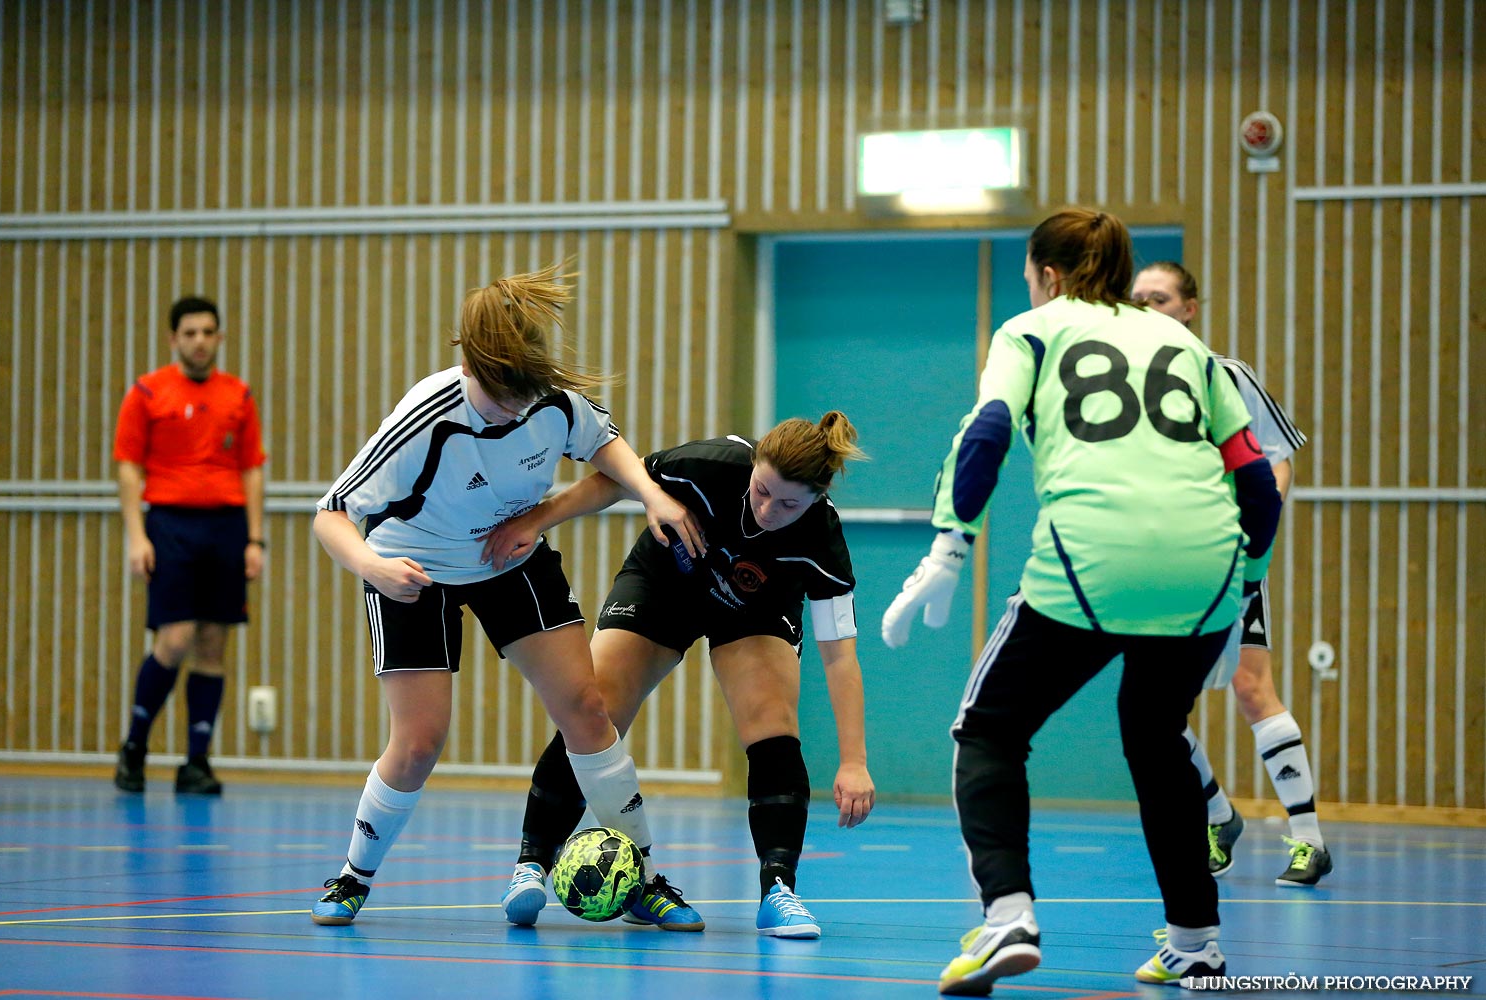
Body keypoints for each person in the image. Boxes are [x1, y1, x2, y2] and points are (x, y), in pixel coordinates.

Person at [881, 208, 1283, 995]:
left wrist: (949, 546)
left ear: (1049, 274)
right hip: (1207, 563)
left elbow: (987, 430)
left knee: (988, 730)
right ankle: (1196, 940)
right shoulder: (1186, 345)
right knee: (1157, 736)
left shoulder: (1030, 331)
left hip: (1094, 559)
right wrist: (1241, 584)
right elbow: (1257, 482)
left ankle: (1007, 916)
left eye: (1032, 273)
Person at [307, 262, 703, 927]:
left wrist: (651, 494)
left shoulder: (549, 398)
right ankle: (352, 876)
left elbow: (605, 447)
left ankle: (647, 880)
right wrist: (372, 570)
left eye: (524, 398)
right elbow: (331, 514)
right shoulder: (425, 417)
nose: (515, 412)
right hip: (417, 571)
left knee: (586, 707)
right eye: (500, 399)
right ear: (466, 366)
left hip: (509, 558)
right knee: (419, 742)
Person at [484, 415, 876, 938]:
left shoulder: (821, 540)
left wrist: (854, 761)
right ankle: (531, 862)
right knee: (595, 708)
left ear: (817, 499)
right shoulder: (710, 465)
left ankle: (779, 890)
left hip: (753, 611)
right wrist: (539, 520)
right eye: (761, 492)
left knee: (773, 723)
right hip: (667, 580)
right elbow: (615, 481)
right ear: (753, 466)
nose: (766, 511)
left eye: (788, 505)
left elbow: (840, 656)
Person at [1131, 261, 1329, 888]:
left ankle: (1308, 840)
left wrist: (1251, 547)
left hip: (1230, 556)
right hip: (1163, 562)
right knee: (1153, 702)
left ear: (1189, 307)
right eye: (1135, 299)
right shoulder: (1127, 388)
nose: (1145, 307)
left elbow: (1276, 462)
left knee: (1251, 685)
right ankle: (1219, 815)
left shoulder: (1227, 377)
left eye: (1158, 298)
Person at [111, 296, 267, 796]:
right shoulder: (147, 393)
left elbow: (252, 469)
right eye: (190, 332)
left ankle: (196, 761)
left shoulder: (238, 396)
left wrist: (254, 537)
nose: (199, 341)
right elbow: (129, 467)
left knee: (212, 643)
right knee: (174, 638)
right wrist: (137, 536)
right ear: (174, 338)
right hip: (171, 526)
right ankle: (134, 747)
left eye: (208, 332)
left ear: (219, 338)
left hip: (224, 526)